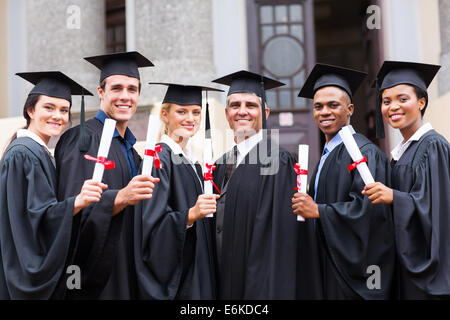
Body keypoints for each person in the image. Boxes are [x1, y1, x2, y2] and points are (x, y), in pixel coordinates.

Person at [54, 51, 159, 299]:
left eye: (132, 90)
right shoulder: (81, 140)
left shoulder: (131, 150)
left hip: (131, 270)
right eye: (117, 88)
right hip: (96, 278)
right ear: (101, 93)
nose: (125, 96)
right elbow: (70, 211)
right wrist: (119, 197)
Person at [293, 64, 396, 299]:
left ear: (349, 109)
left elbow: (371, 212)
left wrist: (319, 211)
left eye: (333, 105)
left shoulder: (363, 154)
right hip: (328, 266)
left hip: (352, 276)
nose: (324, 112)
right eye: (318, 106)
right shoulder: (328, 155)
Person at [0, 71, 106, 299]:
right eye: (49, 107)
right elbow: (32, 219)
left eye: (64, 110)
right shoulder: (23, 154)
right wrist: (76, 202)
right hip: (23, 272)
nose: (57, 116)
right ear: (30, 110)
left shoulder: (40, 152)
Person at [210, 70, 304, 299]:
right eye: (235, 105)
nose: (242, 111)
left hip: (258, 287)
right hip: (223, 283)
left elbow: (279, 240)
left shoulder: (279, 162)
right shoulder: (219, 165)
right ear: (226, 113)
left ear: (265, 112)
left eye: (250, 105)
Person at [362, 61, 450, 299]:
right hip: (404, 269)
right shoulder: (401, 154)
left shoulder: (433, 146)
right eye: (386, 101)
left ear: (421, 102)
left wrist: (394, 197)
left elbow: (439, 211)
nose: (393, 107)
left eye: (403, 99)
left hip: (428, 275)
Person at [134, 82, 222, 299]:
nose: (190, 119)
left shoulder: (193, 161)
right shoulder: (157, 159)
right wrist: (191, 214)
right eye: (181, 112)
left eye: (196, 112)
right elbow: (150, 226)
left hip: (199, 269)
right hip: (181, 278)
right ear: (164, 115)